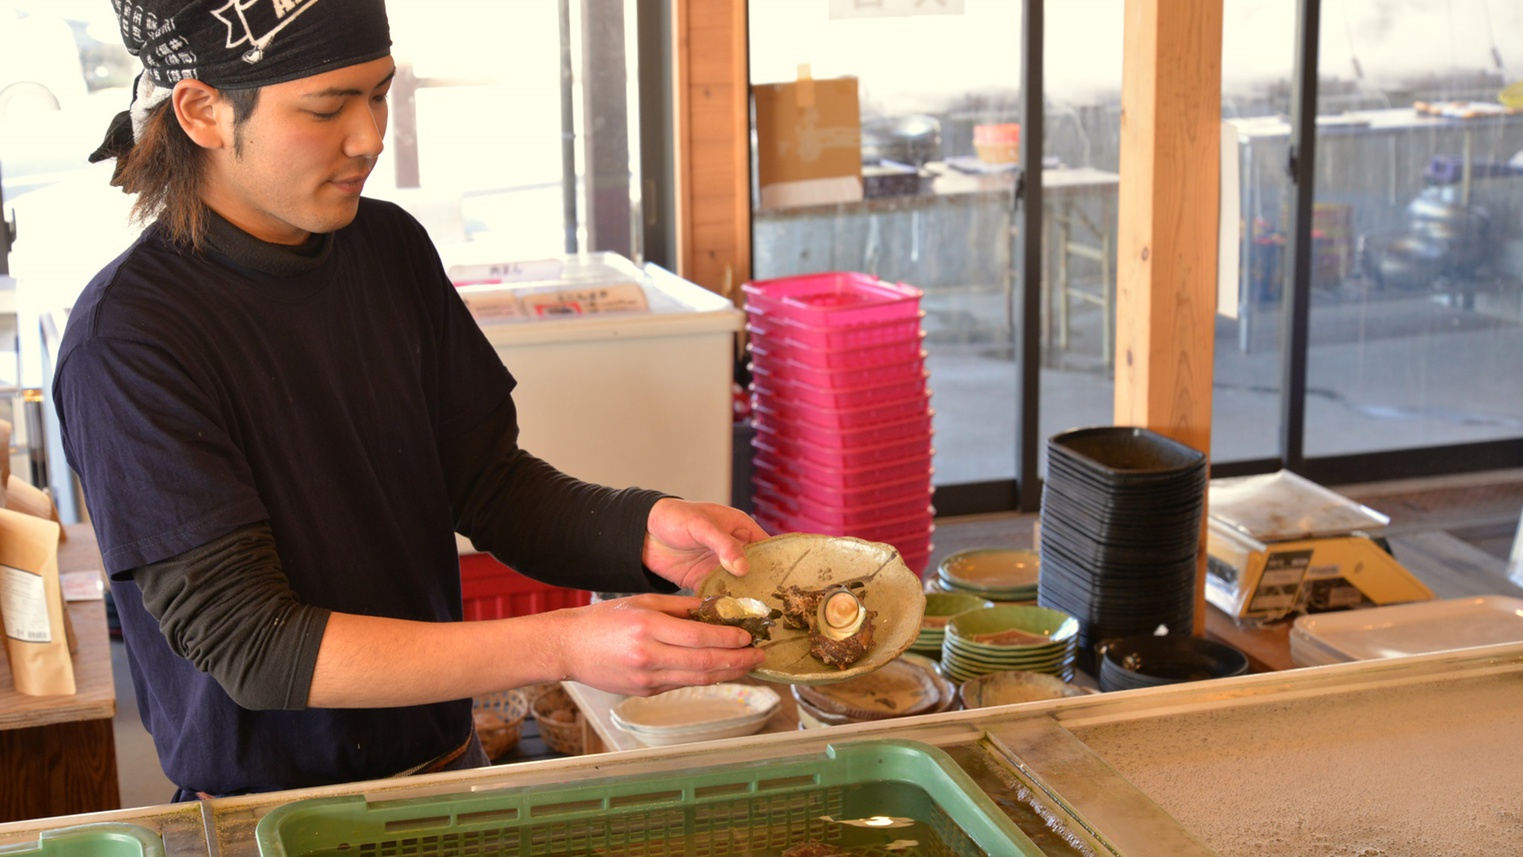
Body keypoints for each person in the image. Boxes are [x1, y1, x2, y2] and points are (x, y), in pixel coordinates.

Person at [52, 0, 767, 800]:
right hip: (269, 816)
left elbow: (486, 484)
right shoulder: (129, 340)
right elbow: (254, 643)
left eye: (379, 94)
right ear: (202, 110)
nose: (369, 136)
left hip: (444, 771)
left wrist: (640, 528)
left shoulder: (386, 247)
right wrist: (564, 642)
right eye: (327, 107)